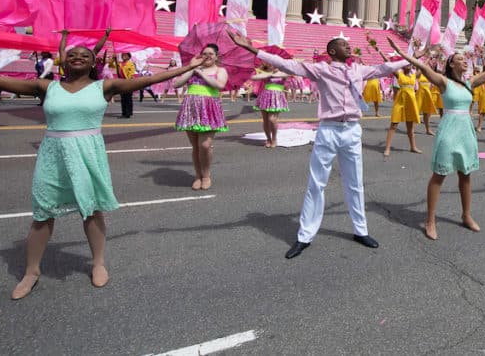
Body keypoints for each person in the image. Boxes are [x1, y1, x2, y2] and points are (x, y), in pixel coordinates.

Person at [0, 43, 202, 299]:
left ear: (93, 63)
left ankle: (98, 263)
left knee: (91, 210)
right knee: (42, 213)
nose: (78, 57)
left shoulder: (105, 86)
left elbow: (151, 79)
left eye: (85, 55)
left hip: (88, 154)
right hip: (53, 155)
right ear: (62, 62)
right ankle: (31, 272)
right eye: (72, 55)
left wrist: (190, 66)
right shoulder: (46, 87)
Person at [230, 30, 408, 259]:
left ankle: (360, 230)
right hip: (328, 130)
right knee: (317, 184)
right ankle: (305, 235)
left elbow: (386, 68)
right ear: (332, 51)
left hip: (352, 130)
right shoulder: (321, 70)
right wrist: (253, 49)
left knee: (355, 183)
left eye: (348, 44)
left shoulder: (358, 70)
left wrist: (412, 57)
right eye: (343, 45)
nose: (348, 46)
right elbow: (287, 65)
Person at [387, 38, 485, 240]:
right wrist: (401, 52)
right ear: (451, 64)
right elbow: (421, 65)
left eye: (465, 59)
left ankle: (466, 215)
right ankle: (430, 220)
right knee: (439, 175)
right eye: (460, 59)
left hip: (466, 130)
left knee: (465, 175)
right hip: (449, 129)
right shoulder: (443, 81)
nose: (464, 61)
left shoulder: (470, 83)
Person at [173, 44, 229, 190]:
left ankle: (206, 175)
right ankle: (198, 176)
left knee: (205, 145)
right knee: (196, 147)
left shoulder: (220, 70)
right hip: (191, 110)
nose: (207, 55)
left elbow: (219, 85)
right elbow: (176, 83)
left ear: (216, 56)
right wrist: (191, 69)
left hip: (209, 110)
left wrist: (202, 74)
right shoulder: (193, 69)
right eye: (204, 53)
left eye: (211, 53)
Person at [384, 61, 420, 157]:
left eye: (409, 63)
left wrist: (429, 56)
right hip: (400, 102)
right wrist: (379, 51)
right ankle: (387, 148)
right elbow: (390, 65)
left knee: (410, 126)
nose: (408, 65)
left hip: (410, 103)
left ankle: (413, 147)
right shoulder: (399, 74)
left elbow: (422, 67)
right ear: (402, 66)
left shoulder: (414, 75)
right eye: (405, 64)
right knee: (394, 125)